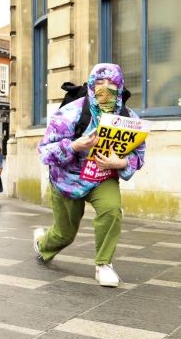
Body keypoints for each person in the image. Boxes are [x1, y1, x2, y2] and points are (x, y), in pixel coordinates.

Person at [33, 63, 145, 288]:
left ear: (120, 85)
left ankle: (103, 264)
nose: (106, 88)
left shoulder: (128, 118)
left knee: (112, 210)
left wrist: (121, 162)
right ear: (91, 86)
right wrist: (74, 146)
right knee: (65, 234)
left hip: (102, 175)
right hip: (67, 179)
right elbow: (44, 151)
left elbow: (139, 154)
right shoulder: (69, 113)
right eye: (100, 83)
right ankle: (42, 244)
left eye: (112, 83)